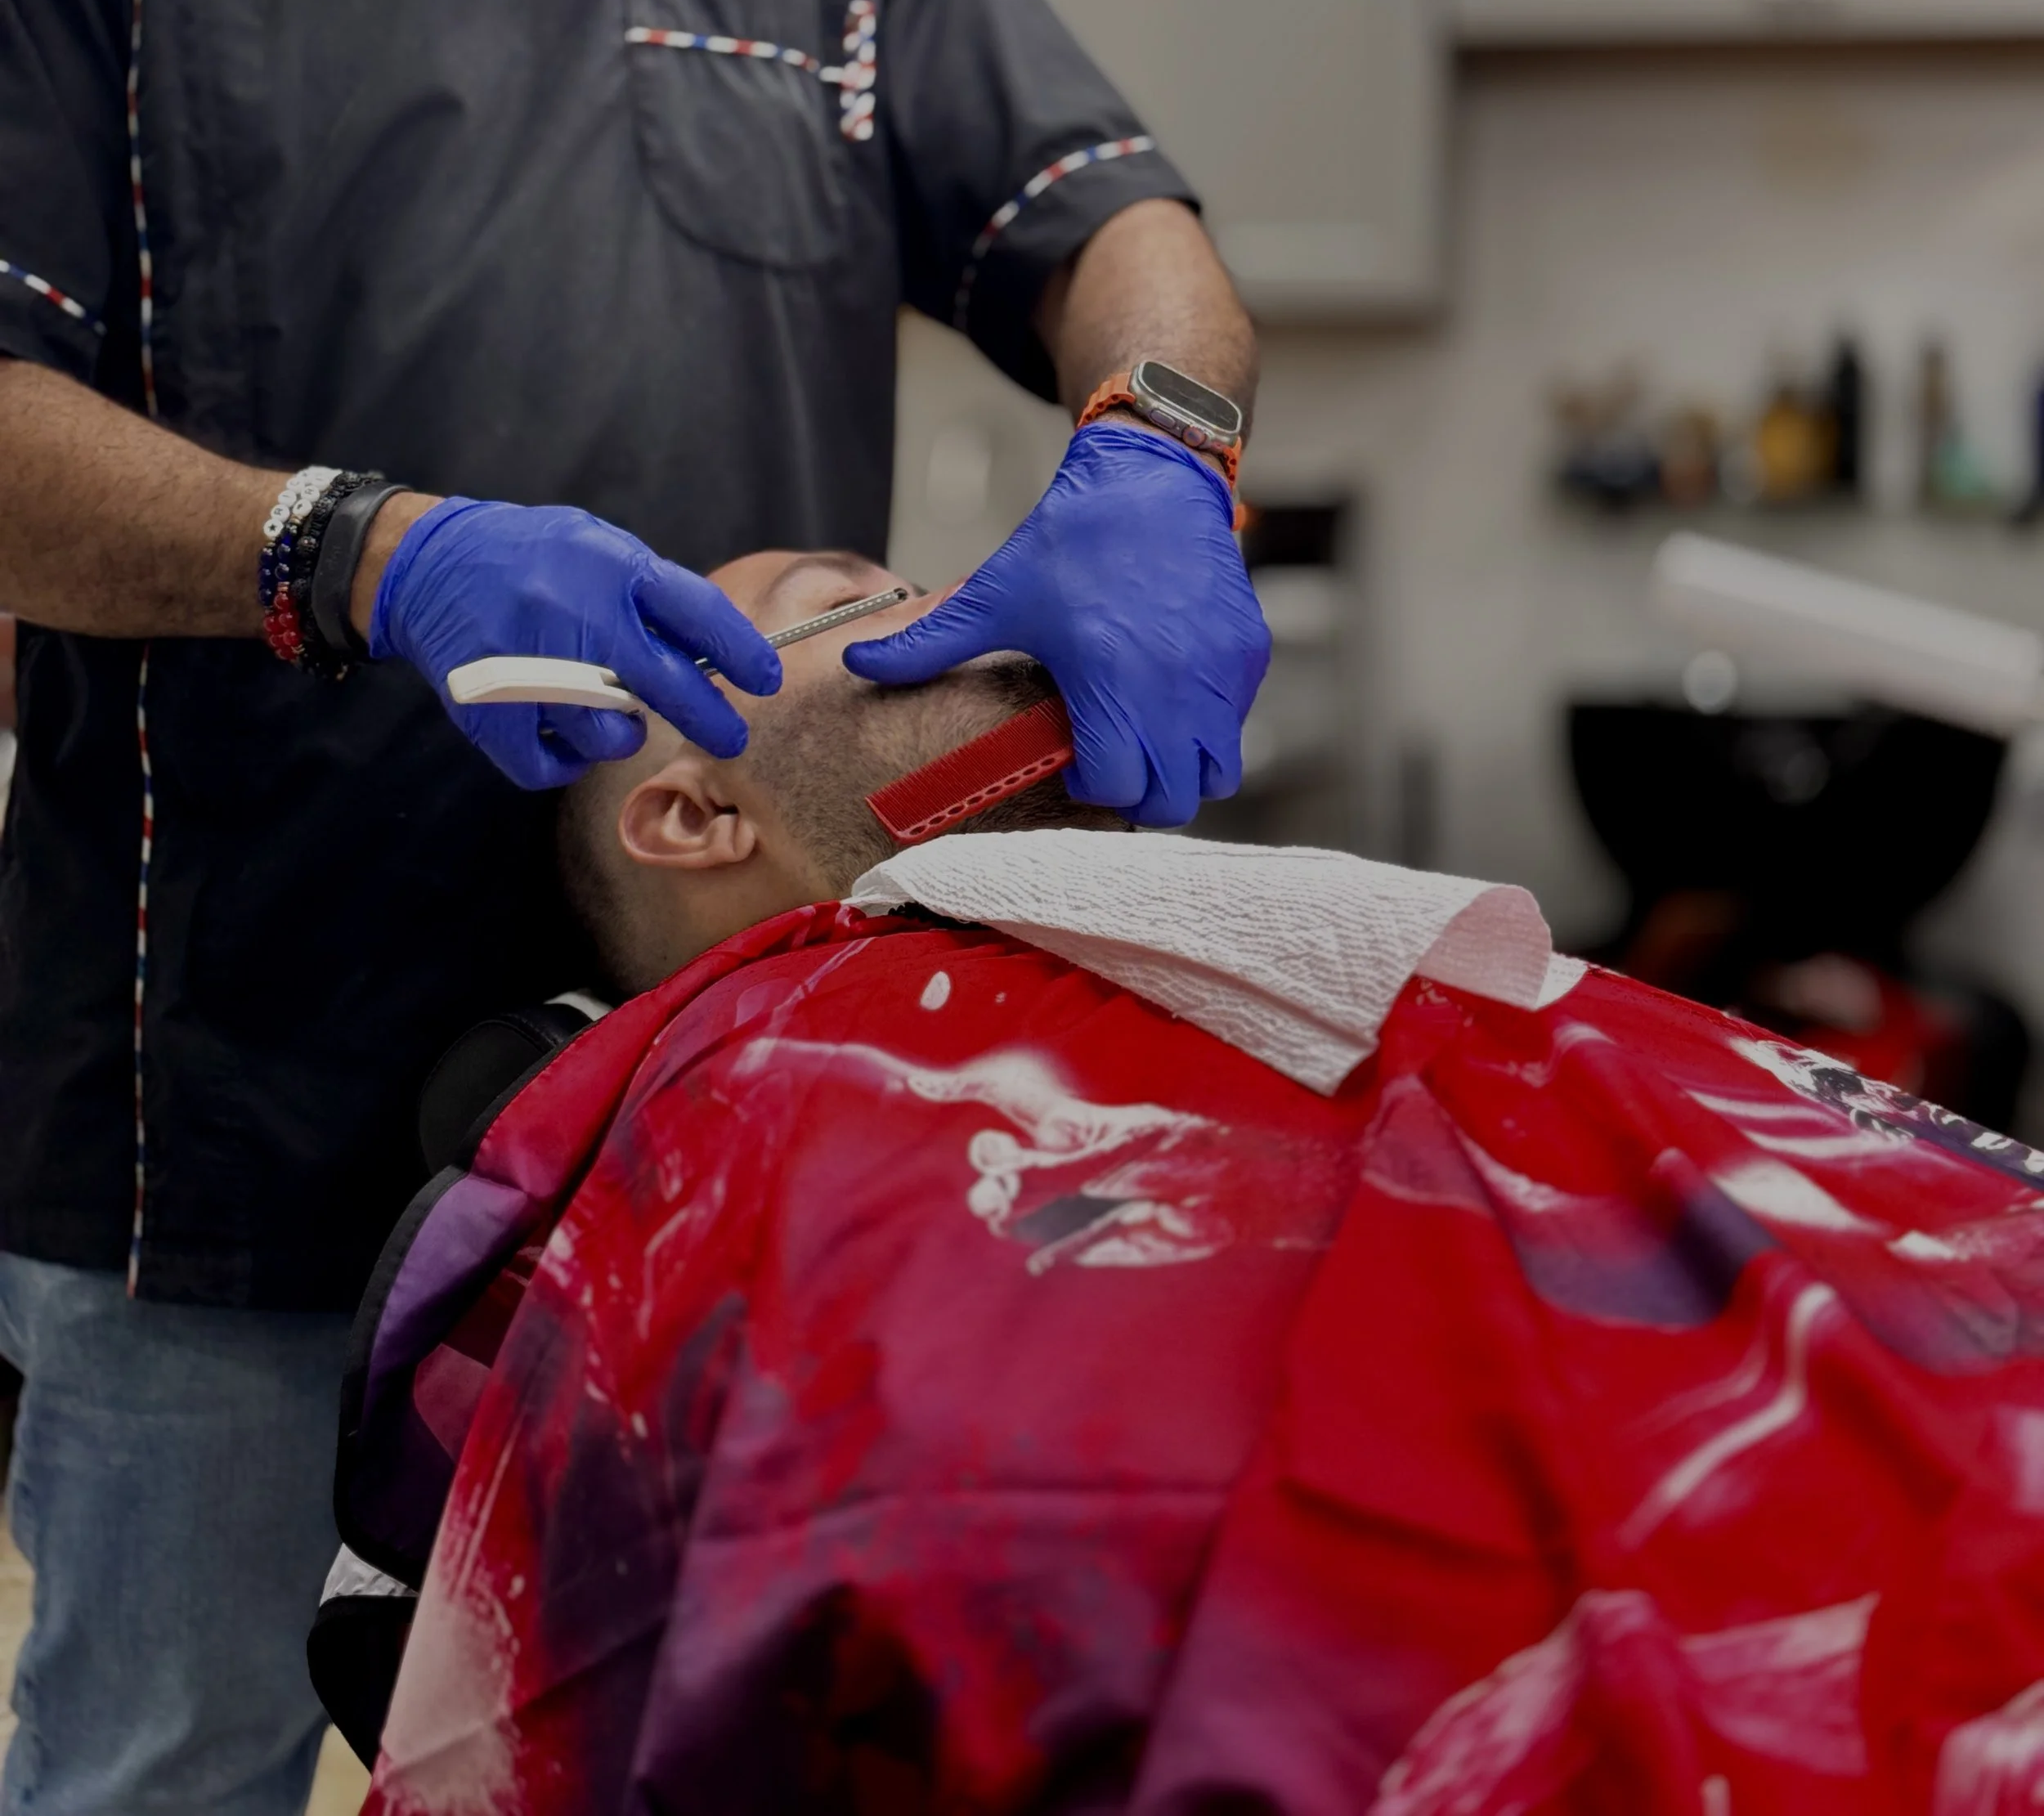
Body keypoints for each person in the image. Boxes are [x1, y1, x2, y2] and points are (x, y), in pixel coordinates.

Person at [0, 0, 1269, 1803]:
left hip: (701, 1121)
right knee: (166, 1759)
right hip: (218, 1098)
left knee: (665, 1749)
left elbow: (1116, 216)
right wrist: (349, 546)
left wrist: (1159, 444)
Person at [331, 549, 2044, 1813]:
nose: (944, 586)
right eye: (840, 591)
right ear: (696, 818)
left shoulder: (1256, 955)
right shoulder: (761, 1091)